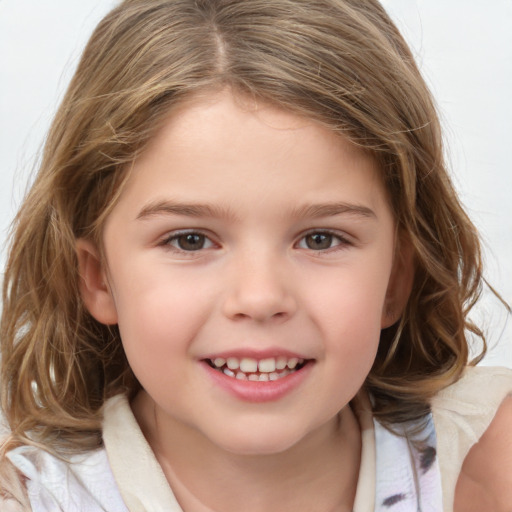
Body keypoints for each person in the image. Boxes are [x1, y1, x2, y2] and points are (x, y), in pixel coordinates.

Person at [1, 0, 511, 510]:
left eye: (320, 239)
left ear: (397, 277)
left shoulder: (485, 464)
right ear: (98, 279)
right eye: (190, 240)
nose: (261, 297)